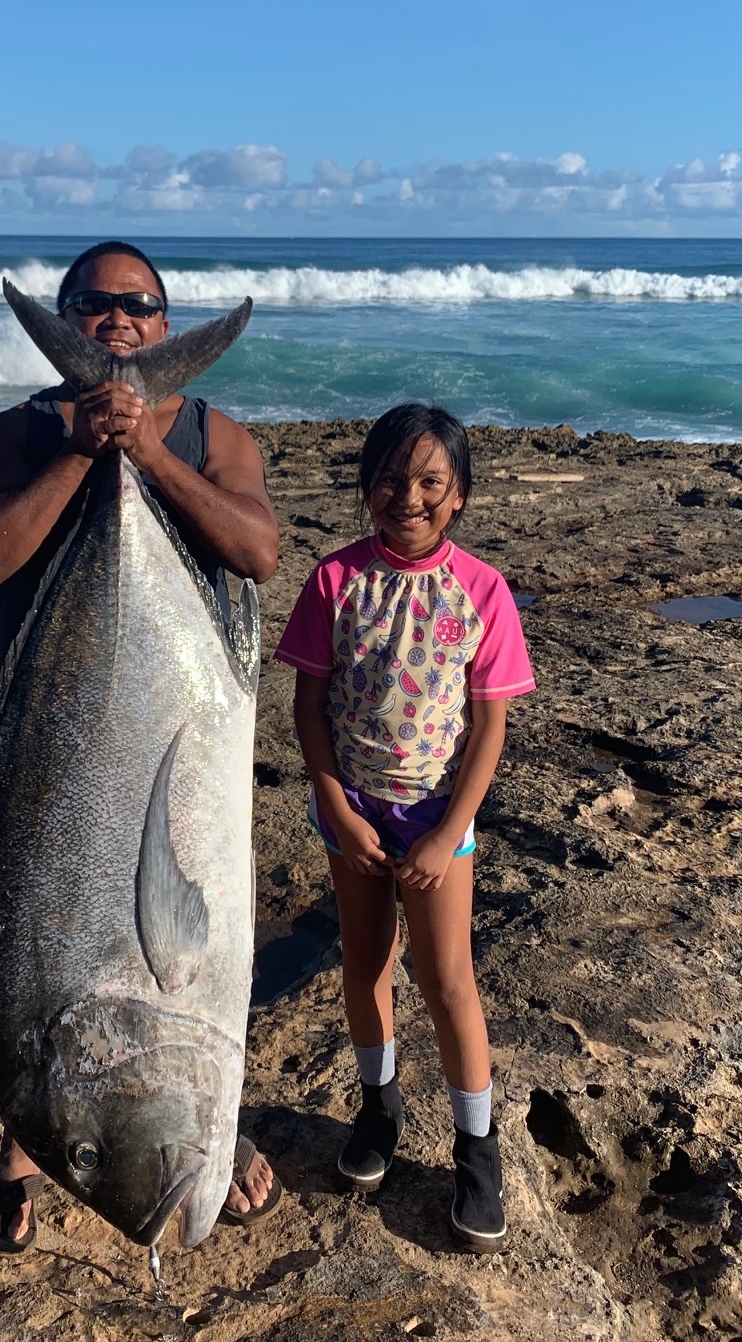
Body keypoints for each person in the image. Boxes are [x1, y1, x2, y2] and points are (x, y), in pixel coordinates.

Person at [0, 239, 283, 1255]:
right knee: (64, 933)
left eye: (137, 306)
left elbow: (258, 553)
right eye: (91, 306)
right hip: (54, 726)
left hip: (183, 694)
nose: (116, 322)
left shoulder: (215, 432)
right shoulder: (6, 437)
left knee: (203, 920)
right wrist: (83, 450)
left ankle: (217, 1113)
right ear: (65, 317)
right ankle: (25, 1144)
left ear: (163, 319)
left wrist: (144, 451)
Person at [274, 404, 534, 1250]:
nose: (407, 496)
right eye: (390, 478)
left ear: (457, 495)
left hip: (435, 816)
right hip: (352, 811)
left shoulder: (481, 589)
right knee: (363, 965)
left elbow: (489, 724)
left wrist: (447, 827)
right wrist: (335, 806)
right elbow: (307, 705)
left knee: (447, 980)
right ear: (365, 487)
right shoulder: (334, 580)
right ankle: (377, 1107)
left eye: (429, 481)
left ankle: (475, 1146)